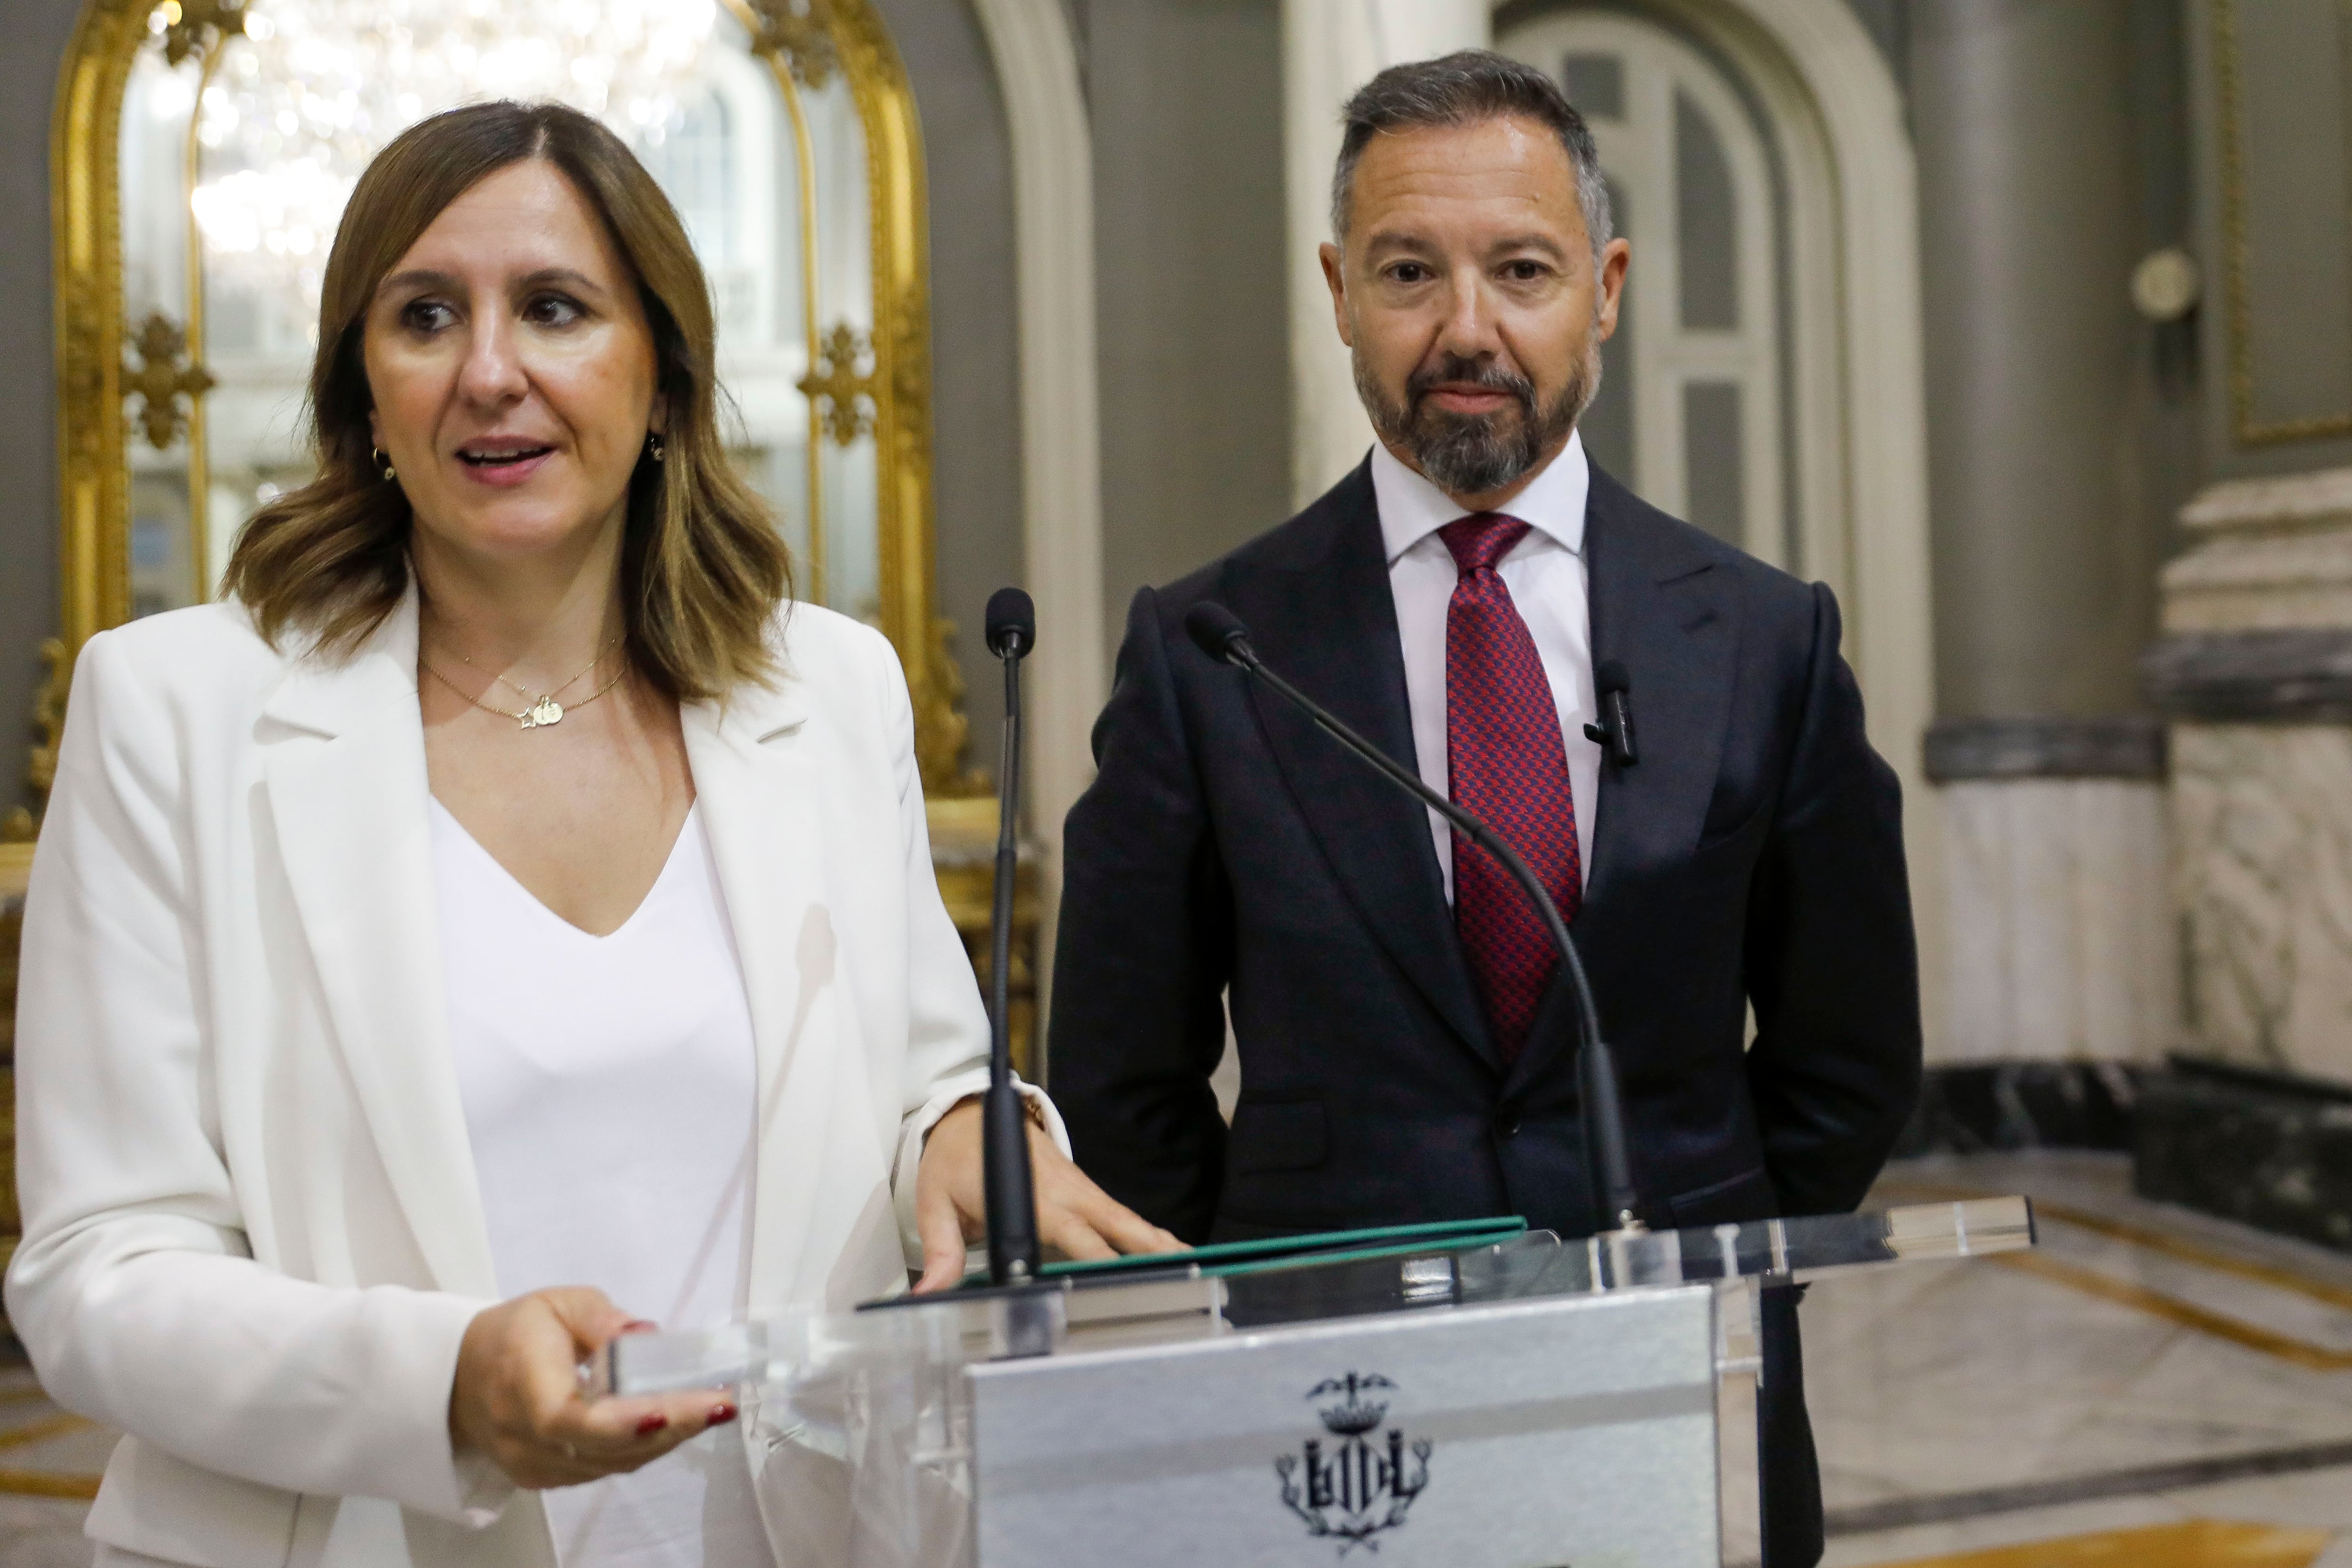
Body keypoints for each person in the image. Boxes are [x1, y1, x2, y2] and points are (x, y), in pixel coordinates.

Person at [8, 101, 1175, 1568]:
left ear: (667, 381)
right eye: (427, 316)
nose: (491, 374)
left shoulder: (822, 690)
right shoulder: (175, 709)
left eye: (555, 309)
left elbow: (923, 1083)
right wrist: (445, 1389)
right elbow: (98, 1275)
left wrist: (963, 1132)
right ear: (364, 389)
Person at [1047, 50, 1921, 1568]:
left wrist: (1721, 1237)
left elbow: (1849, 1052)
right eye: (1408, 272)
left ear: (1607, 287)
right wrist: (1240, 1309)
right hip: (1324, 1408)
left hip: (1680, 1366)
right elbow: (1126, 1080)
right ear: (1337, 289)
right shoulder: (1209, 650)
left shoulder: (1769, 637)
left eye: (1521, 268)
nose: (1467, 329)